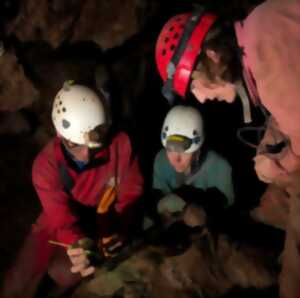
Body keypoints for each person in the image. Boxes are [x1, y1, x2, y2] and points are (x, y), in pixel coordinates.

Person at [155, 1, 300, 297]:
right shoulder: (261, 32)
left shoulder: (267, 57)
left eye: (194, 84)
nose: (201, 99)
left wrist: (280, 166)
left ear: (212, 55)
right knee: (270, 209)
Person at [2, 83, 144, 298]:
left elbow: (130, 194)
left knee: (65, 274)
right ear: (60, 136)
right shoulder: (46, 166)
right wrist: (79, 244)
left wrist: (117, 232)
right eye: (75, 145)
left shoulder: (121, 147)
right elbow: (61, 219)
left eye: (93, 145)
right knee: (19, 280)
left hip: (100, 221)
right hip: (56, 222)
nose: (86, 155)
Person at [153, 105, 234, 229]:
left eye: (184, 152)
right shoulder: (161, 160)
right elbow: (158, 197)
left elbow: (228, 213)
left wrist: (204, 211)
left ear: (198, 149)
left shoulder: (220, 168)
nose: (176, 159)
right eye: (170, 150)